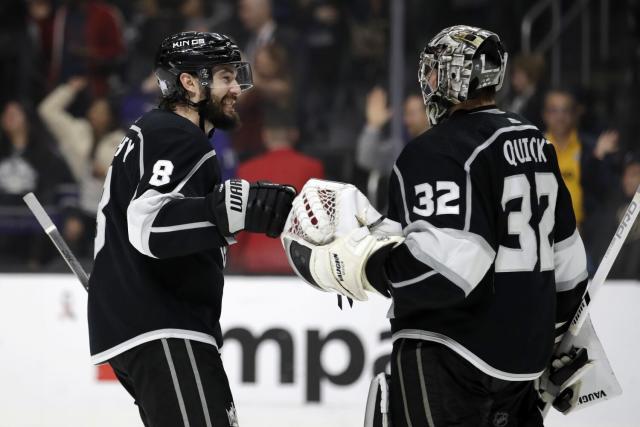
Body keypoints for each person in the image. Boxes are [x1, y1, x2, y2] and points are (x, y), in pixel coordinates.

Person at [284, 25, 589, 426]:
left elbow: (446, 270)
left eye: (432, 72)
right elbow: (570, 269)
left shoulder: (438, 149)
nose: (427, 82)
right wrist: (552, 343)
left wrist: (360, 265)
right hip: (521, 367)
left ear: (451, 77)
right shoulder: (536, 143)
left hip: (452, 356)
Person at [88, 31, 295, 426]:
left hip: (148, 327)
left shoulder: (154, 132)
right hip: (163, 325)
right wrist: (236, 211)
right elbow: (148, 226)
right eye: (224, 77)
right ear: (189, 83)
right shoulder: (176, 135)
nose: (236, 88)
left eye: (236, 76)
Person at [38, 77, 125, 259]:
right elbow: (47, 110)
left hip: (110, 209)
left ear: (111, 115)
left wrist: (107, 173)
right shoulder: (75, 130)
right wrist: (69, 89)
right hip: (78, 205)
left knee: (109, 256)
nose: (98, 114)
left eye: (103, 111)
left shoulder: (123, 139)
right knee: (73, 248)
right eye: (95, 109)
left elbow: (132, 176)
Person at [231, 111, 324, 273]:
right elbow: (318, 220)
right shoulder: (312, 167)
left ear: (265, 135)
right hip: (298, 261)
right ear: (294, 135)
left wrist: (234, 262)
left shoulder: (247, 169)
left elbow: (239, 222)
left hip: (255, 261)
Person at [542, 88, 619, 230]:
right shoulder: (532, 148)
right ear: (545, 114)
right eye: (554, 110)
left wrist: (597, 158)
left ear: (574, 114)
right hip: (542, 232)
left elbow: (606, 193)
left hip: (583, 233)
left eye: (565, 110)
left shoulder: (592, 148)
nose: (560, 117)